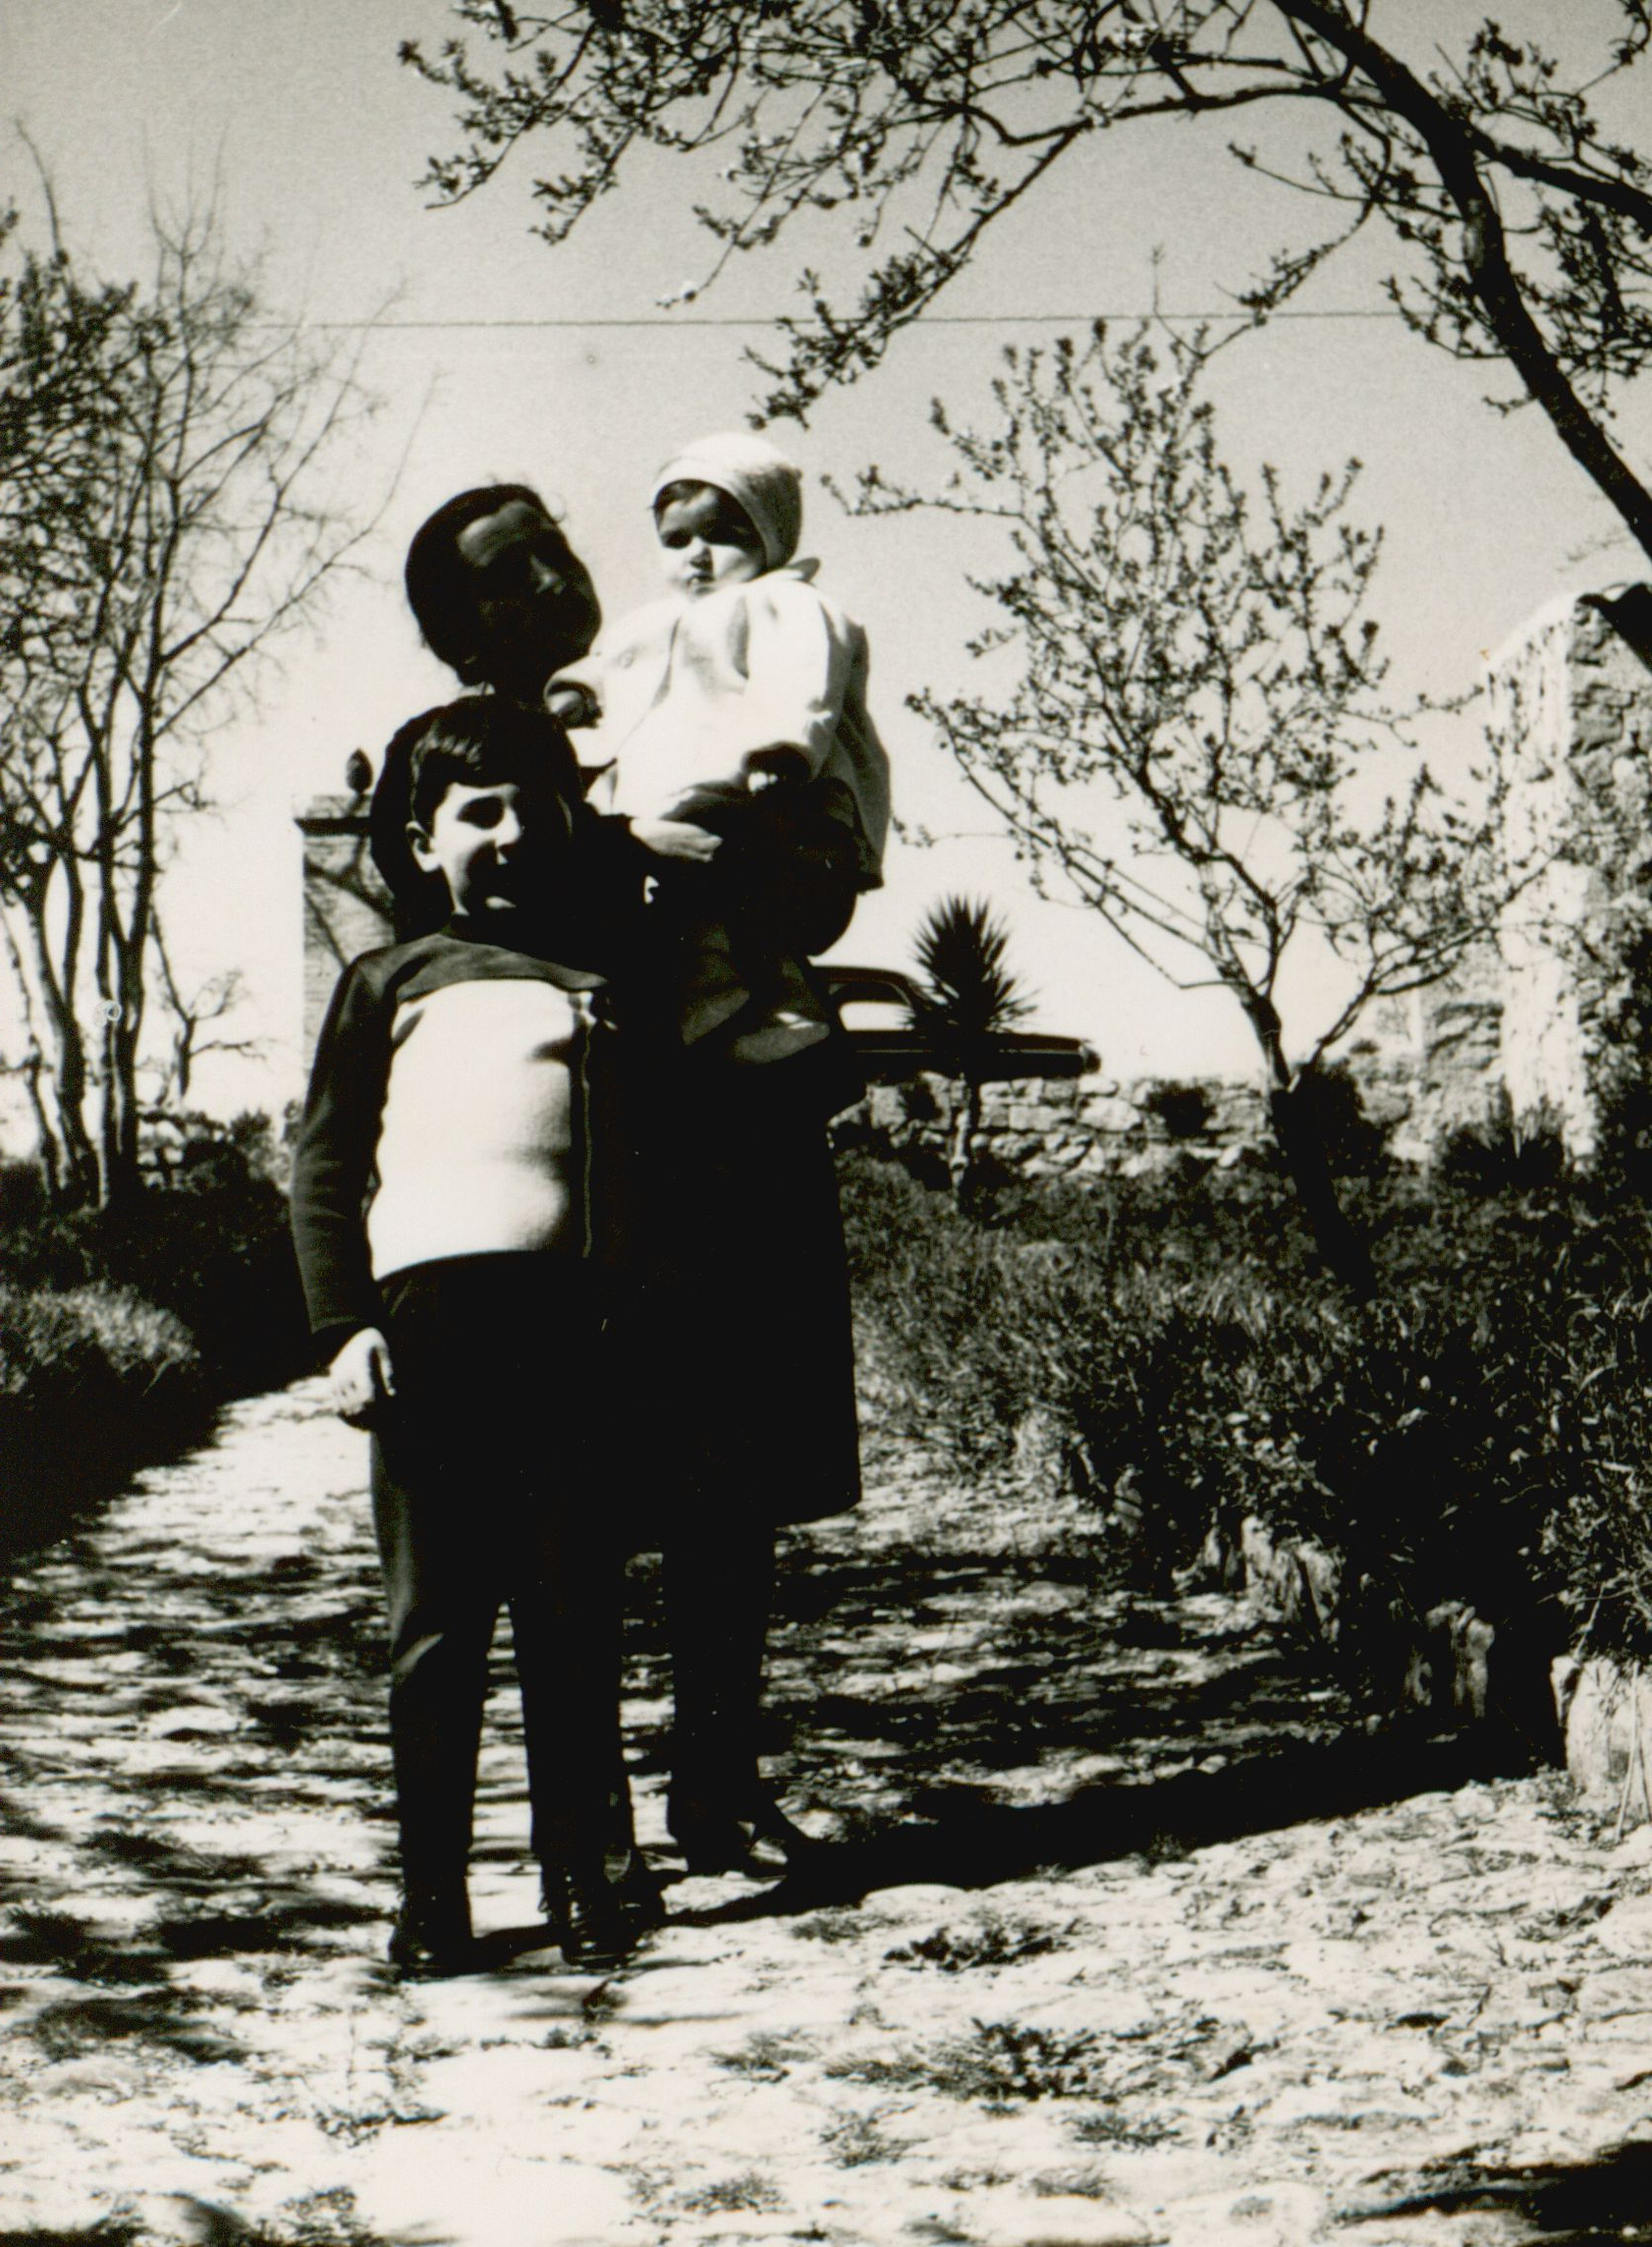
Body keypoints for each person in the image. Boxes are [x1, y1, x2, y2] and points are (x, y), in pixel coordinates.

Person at [370, 480, 868, 1886]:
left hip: (724, 1128)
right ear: (460, 625)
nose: (549, 579)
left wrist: (787, 858)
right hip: (576, 1169)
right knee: (567, 1506)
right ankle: (585, 1833)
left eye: (550, 548)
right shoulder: (449, 760)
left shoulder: (683, 673)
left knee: (730, 1472)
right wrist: (620, 846)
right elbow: (442, 948)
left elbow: (808, 875)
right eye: (506, 572)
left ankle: (715, 1780)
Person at [291, 694, 654, 1976]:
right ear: (421, 838)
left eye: (532, 807)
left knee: (570, 1618)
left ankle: (584, 1877)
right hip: (428, 1336)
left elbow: (648, 1167)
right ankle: (432, 1895)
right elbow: (324, 1167)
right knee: (436, 1630)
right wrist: (343, 1327)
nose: (510, 833)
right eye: (477, 812)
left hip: (571, 1328)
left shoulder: (603, 981)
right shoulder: (385, 981)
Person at [551, 430, 891, 1063]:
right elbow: (609, 663)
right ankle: (716, 1001)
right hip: (668, 789)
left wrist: (782, 751)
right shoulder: (652, 619)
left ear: (770, 535)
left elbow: (804, 679)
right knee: (678, 902)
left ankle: (777, 1005)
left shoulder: (786, 603)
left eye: (722, 536)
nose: (698, 558)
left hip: (757, 787)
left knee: (733, 886)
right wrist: (574, 693)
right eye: (677, 541)